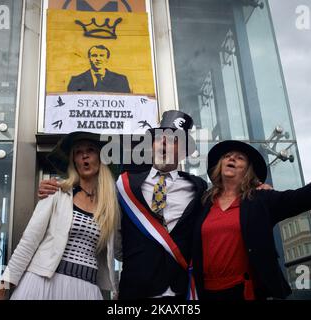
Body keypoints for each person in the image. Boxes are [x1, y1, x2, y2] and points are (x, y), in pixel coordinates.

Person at [39, 110, 208, 300]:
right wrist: (57, 186)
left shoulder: (198, 187)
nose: (164, 144)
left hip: (181, 289)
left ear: (184, 151)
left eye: (174, 140)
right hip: (135, 288)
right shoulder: (123, 183)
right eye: (160, 138)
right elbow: (89, 191)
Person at [191, 140, 311, 300]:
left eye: (239, 158)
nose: (232, 159)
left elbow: (300, 198)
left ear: (247, 170)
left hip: (246, 292)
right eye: (227, 156)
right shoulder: (203, 202)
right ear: (219, 164)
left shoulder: (260, 199)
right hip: (205, 293)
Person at [0, 131, 120, 300]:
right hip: (43, 284)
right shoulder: (57, 192)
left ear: (101, 157)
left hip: (86, 289)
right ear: (74, 161)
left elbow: (119, 251)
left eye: (90, 150)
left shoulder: (110, 206)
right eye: (78, 152)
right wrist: (2, 288)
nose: (84, 156)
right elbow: (28, 242)